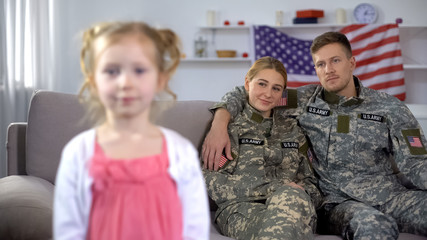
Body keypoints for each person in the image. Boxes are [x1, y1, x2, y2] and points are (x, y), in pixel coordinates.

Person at [202, 32, 427, 239]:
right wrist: (219, 123)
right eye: (321, 64)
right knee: (375, 226)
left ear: (352, 62)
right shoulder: (303, 100)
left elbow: (417, 161)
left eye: (335, 60)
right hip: (340, 203)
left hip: (390, 195)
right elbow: (249, 92)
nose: (328, 69)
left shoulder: (390, 107)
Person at [53, 21, 210, 240]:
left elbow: (195, 229)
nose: (125, 82)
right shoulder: (78, 152)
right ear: (93, 82)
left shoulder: (180, 152)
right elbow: (68, 231)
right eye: (111, 71)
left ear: (160, 80)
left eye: (139, 70)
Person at [203, 56, 322, 240]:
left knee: (290, 204)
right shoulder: (230, 129)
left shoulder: (293, 130)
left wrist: (296, 192)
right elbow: (212, 182)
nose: (268, 94)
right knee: (287, 219)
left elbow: (311, 184)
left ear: (282, 93)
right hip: (242, 210)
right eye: (262, 84)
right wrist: (276, 188)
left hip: (292, 205)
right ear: (247, 83)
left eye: (276, 88)